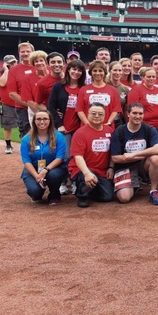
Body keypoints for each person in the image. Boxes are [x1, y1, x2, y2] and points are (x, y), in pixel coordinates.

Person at [109, 103, 158, 204]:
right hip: (125, 167)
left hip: (143, 165)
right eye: (134, 113)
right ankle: (135, 184)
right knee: (124, 198)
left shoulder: (149, 129)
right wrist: (143, 155)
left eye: (140, 113)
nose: (138, 116)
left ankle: (153, 191)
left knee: (155, 159)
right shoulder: (119, 131)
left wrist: (133, 155)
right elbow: (116, 158)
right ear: (128, 114)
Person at [48, 59, 87, 195]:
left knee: (78, 157)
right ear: (68, 70)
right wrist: (59, 124)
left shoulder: (84, 89)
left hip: (79, 128)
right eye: (73, 69)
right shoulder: (58, 86)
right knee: (64, 156)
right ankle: (63, 182)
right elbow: (51, 107)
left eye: (79, 70)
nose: (76, 72)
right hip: (63, 127)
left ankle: (75, 181)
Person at [69, 103, 115, 208]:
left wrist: (111, 167)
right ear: (87, 114)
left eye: (100, 114)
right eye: (93, 114)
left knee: (108, 197)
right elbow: (78, 156)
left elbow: (113, 151)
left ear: (105, 116)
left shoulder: (109, 131)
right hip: (82, 169)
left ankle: (91, 190)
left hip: (102, 171)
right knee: (89, 179)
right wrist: (87, 173)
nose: (97, 116)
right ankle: (81, 194)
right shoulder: (80, 133)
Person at [20, 110, 67, 205]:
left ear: (50, 121)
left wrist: (45, 171)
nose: (42, 122)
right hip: (34, 168)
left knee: (54, 175)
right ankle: (37, 193)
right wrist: (37, 175)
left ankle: (54, 194)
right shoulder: (26, 139)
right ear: (34, 121)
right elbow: (26, 161)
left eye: (45, 119)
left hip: (53, 168)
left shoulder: (59, 136)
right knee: (34, 191)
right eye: (39, 119)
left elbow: (60, 158)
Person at [76, 60, 122, 127]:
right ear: (91, 73)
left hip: (107, 128)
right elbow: (79, 110)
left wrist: (108, 123)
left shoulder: (113, 90)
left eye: (100, 70)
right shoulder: (83, 90)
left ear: (105, 72)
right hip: (87, 128)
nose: (97, 73)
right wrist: (88, 125)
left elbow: (115, 110)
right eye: (95, 70)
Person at [7, 42, 35, 137]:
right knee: (26, 134)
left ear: (33, 52)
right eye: (23, 52)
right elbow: (12, 93)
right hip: (23, 108)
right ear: (19, 53)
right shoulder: (14, 70)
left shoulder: (41, 66)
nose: (25, 54)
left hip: (41, 107)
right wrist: (30, 105)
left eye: (28, 51)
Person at [0, 55, 19, 154]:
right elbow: (1, 83)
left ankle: (29, 145)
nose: (13, 64)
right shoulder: (0, 73)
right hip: (7, 104)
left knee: (27, 126)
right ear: (5, 64)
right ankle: (8, 145)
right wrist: (6, 70)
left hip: (21, 103)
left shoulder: (19, 72)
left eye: (14, 62)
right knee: (7, 125)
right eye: (10, 63)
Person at [22, 50, 48, 123]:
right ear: (33, 63)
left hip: (53, 111)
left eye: (41, 60)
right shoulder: (28, 78)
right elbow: (28, 100)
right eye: (36, 61)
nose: (39, 63)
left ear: (46, 62)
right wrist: (42, 115)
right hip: (35, 112)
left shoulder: (52, 76)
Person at [107, 61, 130, 126]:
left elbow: (125, 109)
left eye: (120, 70)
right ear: (109, 71)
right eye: (115, 70)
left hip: (118, 122)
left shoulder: (125, 89)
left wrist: (127, 124)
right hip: (104, 121)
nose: (117, 73)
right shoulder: (103, 85)